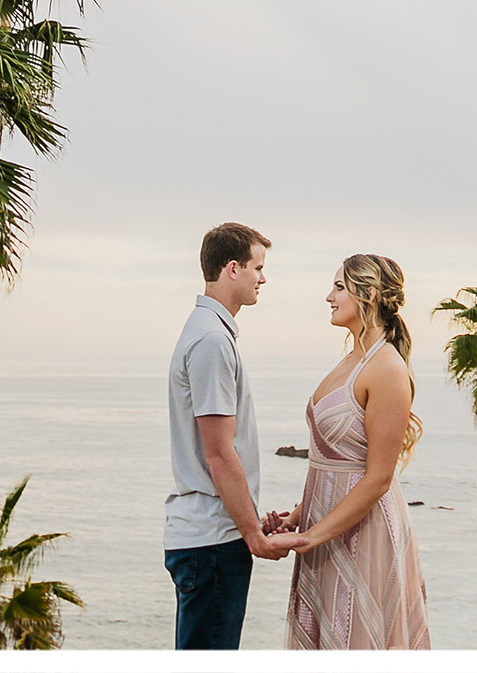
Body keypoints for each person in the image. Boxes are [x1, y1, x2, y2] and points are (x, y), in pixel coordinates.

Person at [279, 252, 432, 649]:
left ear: (370, 295)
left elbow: (379, 477)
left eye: (339, 287)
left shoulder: (386, 368)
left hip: (363, 535)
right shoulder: (350, 360)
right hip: (325, 526)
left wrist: (311, 537)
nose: (329, 296)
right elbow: (333, 459)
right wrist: (297, 517)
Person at [166, 222, 293, 650]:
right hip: (213, 542)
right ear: (232, 269)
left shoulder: (210, 333)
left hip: (211, 537)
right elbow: (219, 453)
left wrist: (252, 521)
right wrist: (253, 536)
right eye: (258, 267)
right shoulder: (211, 341)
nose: (263, 278)